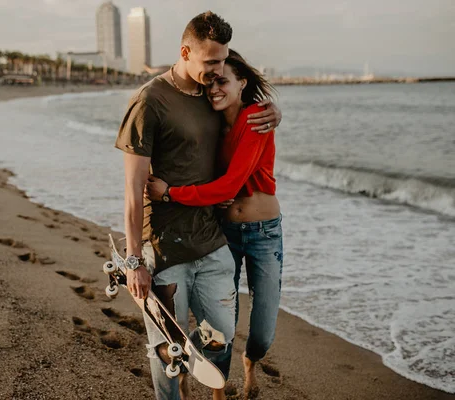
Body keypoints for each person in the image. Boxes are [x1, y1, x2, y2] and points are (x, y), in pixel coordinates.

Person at [115, 11, 281, 400]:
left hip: (212, 242)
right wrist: (134, 261)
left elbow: (244, 113)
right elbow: (132, 186)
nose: (216, 70)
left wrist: (274, 112)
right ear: (185, 52)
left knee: (219, 340)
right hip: (165, 247)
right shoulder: (150, 100)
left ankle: (197, 358)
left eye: (222, 61)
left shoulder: (212, 96)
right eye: (210, 62)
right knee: (165, 350)